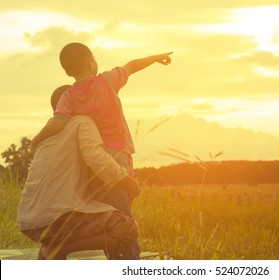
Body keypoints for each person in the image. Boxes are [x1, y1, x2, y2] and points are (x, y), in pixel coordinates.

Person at [30, 43, 173, 257]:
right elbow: (132, 65)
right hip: (115, 159)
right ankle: (129, 261)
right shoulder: (107, 80)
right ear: (91, 62)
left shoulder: (68, 96)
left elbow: (57, 123)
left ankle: (117, 256)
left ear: (67, 71)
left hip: (90, 164)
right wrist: (155, 57)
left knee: (108, 215)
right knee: (123, 216)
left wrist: (36, 140)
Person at [18, 86, 141, 260]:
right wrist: (126, 179)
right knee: (127, 229)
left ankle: (50, 249)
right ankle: (58, 249)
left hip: (30, 223)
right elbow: (95, 158)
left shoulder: (48, 133)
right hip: (59, 219)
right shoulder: (82, 122)